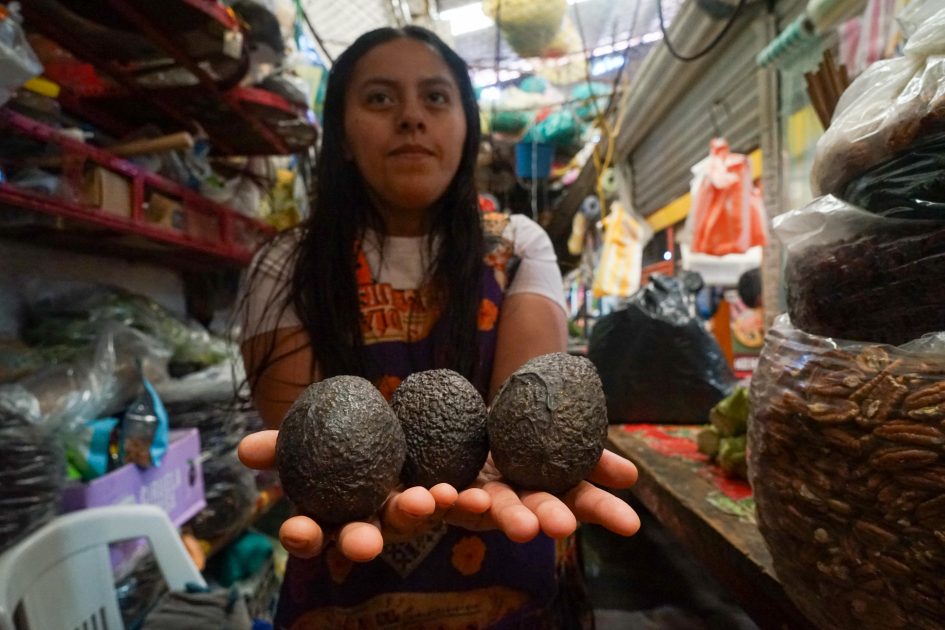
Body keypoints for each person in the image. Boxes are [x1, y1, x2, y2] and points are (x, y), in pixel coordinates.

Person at [236, 25, 641, 628]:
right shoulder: (286, 264)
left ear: (465, 127)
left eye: (436, 97)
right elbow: (309, 452)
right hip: (349, 573)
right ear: (341, 135)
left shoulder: (516, 245)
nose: (410, 119)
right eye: (378, 98)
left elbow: (532, 418)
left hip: (506, 563)